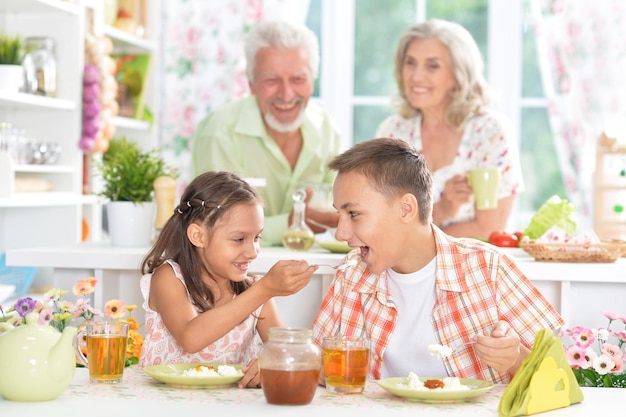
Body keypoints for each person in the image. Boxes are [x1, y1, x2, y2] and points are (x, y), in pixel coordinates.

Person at [312, 138, 563, 384]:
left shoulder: (489, 268)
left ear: (406, 209)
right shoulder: (350, 275)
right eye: (339, 214)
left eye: (353, 213)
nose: (340, 233)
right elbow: (315, 368)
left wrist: (515, 358)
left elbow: (561, 381)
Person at [139, 171, 319, 388]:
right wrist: (265, 289)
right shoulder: (169, 277)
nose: (252, 252)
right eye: (239, 239)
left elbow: (286, 355)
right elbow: (190, 338)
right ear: (198, 236)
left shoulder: (256, 291)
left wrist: (271, 364)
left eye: (257, 237)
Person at [191, 20, 341, 246]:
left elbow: (340, 208)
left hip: (313, 271)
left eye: (298, 79)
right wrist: (293, 223)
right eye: (272, 80)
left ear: (312, 81)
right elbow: (214, 222)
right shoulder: (220, 134)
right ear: (251, 84)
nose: (287, 94)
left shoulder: (327, 130)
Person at [375, 19, 524, 239]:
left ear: (458, 74)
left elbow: (489, 229)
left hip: (477, 268)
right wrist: (443, 209)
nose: (416, 76)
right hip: (403, 271)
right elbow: (383, 222)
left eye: (433, 65)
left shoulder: (490, 131)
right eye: (410, 62)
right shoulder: (392, 131)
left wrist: (412, 235)